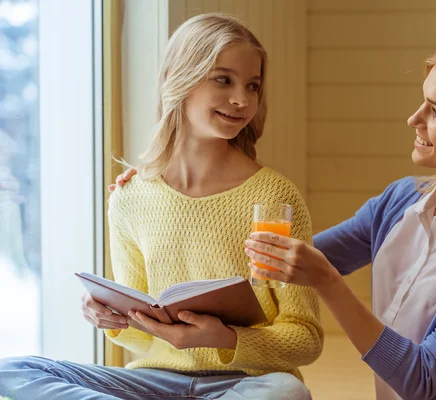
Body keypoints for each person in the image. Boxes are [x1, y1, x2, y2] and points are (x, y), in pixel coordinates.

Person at [112, 38, 436, 399]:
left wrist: (328, 282)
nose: (414, 119)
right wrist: (162, 185)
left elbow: (424, 378)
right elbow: (269, 271)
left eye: (435, 111)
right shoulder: (399, 204)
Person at [0, 13, 322, 400]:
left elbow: (305, 338)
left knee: (285, 392)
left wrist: (225, 337)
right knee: (14, 372)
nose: (242, 100)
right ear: (178, 79)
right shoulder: (130, 197)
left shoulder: (274, 197)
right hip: (155, 381)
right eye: (223, 80)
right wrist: (113, 319)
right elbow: (142, 338)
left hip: (248, 382)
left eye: (252, 86)